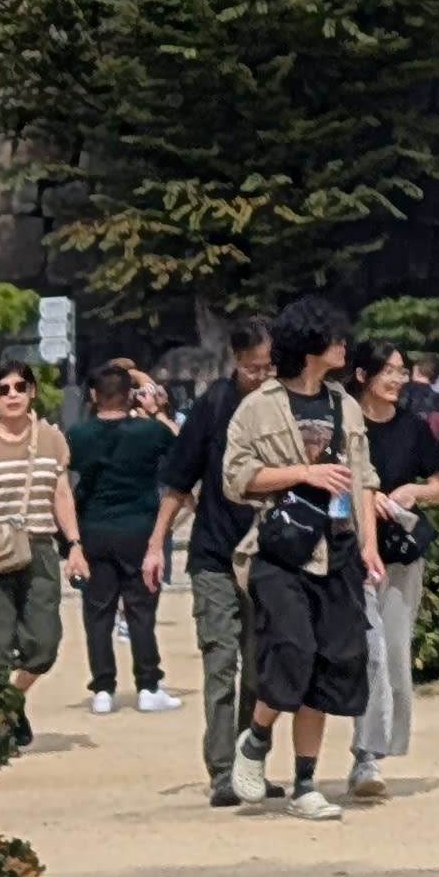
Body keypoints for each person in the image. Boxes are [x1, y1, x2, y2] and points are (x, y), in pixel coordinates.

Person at [219, 296, 381, 819]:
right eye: (333, 337)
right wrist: (302, 474)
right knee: (293, 649)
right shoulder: (259, 406)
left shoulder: (346, 405)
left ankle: (305, 782)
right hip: (282, 551)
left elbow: (365, 482)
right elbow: (236, 479)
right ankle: (257, 737)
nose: (342, 345)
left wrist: (369, 546)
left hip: (338, 551)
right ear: (309, 344)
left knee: (334, 662)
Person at [149, 315, 270, 808]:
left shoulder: (283, 406)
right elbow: (178, 481)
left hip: (270, 555)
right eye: (253, 367)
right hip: (215, 555)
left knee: (261, 669)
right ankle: (223, 769)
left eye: (269, 366)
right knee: (222, 661)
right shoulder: (213, 405)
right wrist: (157, 544)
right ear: (236, 361)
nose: (262, 375)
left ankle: (249, 763)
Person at [345, 337, 439, 805]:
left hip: (400, 553)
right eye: (387, 370)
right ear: (363, 375)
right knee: (364, 654)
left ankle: (371, 753)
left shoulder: (413, 427)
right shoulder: (344, 423)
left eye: (401, 370)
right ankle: (363, 754)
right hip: (349, 552)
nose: (396, 379)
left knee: (392, 655)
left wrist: (410, 493)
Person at [0, 366, 84, 747]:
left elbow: (60, 493)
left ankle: (13, 701)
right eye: (3, 388)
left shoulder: (51, 440)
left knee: (44, 643)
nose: (12, 394)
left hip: (40, 547)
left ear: (31, 392)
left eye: (20, 387)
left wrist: (75, 545)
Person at [68, 357, 178, 716]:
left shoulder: (78, 435)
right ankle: (148, 685)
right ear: (130, 395)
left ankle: (103, 688)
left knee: (98, 611)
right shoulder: (150, 432)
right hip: (140, 529)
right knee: (141, 609)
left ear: (94, 394)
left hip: (93, 528)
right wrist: (157, 412)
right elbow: (183, 449)